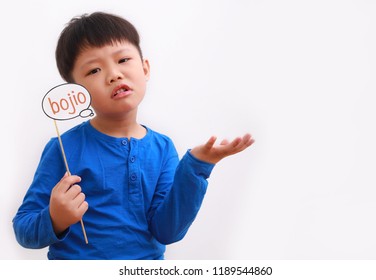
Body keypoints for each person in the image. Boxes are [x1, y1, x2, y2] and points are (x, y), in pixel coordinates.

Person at [13, 12, 254, 260]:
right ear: (77, 92)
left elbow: (168, 231)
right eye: (94, 70)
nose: (114, 74)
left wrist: (197, 166)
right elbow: (24, 228)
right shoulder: (63, 148)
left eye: (123, 59)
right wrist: (54, 218)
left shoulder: (162, 148)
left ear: (145, 68)